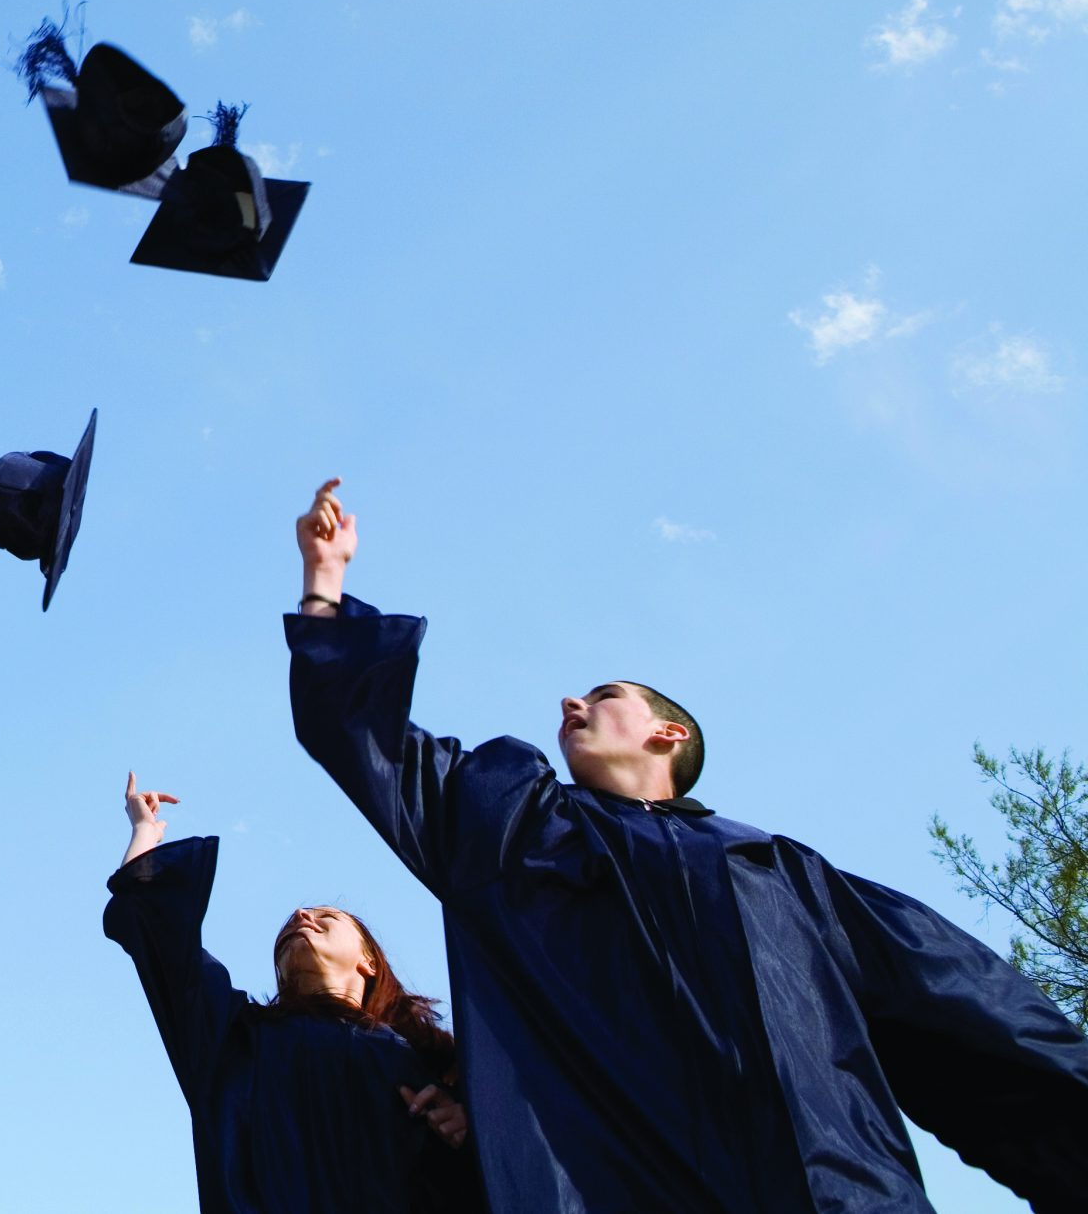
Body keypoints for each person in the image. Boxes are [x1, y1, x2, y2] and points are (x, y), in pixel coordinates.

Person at [285, 480, 1088, 1212]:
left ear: (668, 733)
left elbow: (963, 1010)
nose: (572, 698)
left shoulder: (775, 870)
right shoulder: (509, 827)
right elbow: (363, 738)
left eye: (605, 694)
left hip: (825, 1189)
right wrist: (325, 586)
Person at [104, 773, 481, 1212]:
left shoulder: (431, 1067)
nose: (302, 915)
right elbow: (155, 928)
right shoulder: (235, 1038)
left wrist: (468, 1131)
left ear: (369, 961)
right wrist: (144, 831)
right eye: (289, 927)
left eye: (326, 918)